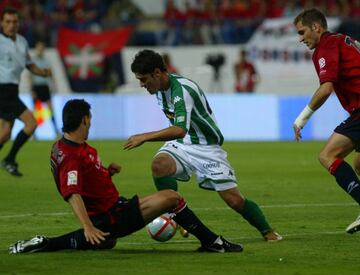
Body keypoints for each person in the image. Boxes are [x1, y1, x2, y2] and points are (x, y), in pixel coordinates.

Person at [8, 99, 243, 254]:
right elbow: (72, 192)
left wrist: (105, 172)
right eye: (90, 120)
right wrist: (88, 226)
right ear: (85, 120)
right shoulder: (72, 155)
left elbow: (83, 180)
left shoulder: (65, 146)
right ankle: (212, 242)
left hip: (108, 212)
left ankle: (46, 243)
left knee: (107, 241)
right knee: (171, 197)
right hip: (111, 214)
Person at [124, 49, 282, 242]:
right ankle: (176, 213)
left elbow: (180, 128)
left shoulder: (182, 90)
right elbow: (180, 133)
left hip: (207, 148)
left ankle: (268, 231)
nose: (141, 84)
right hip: (181, 144)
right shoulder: (159, 89)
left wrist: (144, 137)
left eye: (143, 79)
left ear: (157, 73)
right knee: (159, 165)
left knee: (234, 200)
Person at [293, 8, 360, 234]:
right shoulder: (346, 41)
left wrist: (301, 119)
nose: (300, 39)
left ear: (316, 27)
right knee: (359, 164)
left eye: (303, 32)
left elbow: (325, 88)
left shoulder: (326, 46)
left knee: (328, 155)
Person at [0, 7, 52, 177]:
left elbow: (30, 65)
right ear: (2, 23)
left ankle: (8, 160)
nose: (11, 25)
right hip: (2, 89)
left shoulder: (22, 42)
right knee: (31, 123)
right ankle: (9, 159)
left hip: (12, 91)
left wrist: (43, 72)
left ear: (19, 23)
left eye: (14, 22)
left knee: (5, 134)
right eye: (7, 22)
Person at [30, 41, 59, 137]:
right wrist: (32, 89)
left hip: (44, 87)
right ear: (36, 49)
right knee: (36, 112)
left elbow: (51, 74)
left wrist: (53, 86)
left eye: (42, 48)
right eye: (39, 48)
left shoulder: (46, 61)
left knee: (51, 110)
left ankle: (56, 130)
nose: (40, 50)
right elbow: (30, 76)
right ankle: (33, 133)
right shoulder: (33, 61)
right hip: (36, 87)